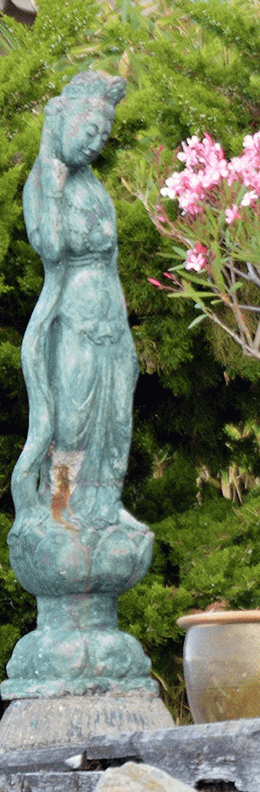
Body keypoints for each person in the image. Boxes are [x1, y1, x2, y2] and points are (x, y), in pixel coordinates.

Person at [10, 70, 141, 534]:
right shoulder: (45, 182)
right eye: (89, 131)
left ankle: (104, 507)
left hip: (109, 317)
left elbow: (113, 258)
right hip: (74, 316)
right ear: (64, 122)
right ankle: (60, 503)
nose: (95, 143)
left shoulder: (95, 187)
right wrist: (53, 184)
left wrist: (125, 332)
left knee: (114, 420)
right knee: (74, 420)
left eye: (103, 136)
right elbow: (51, 247)